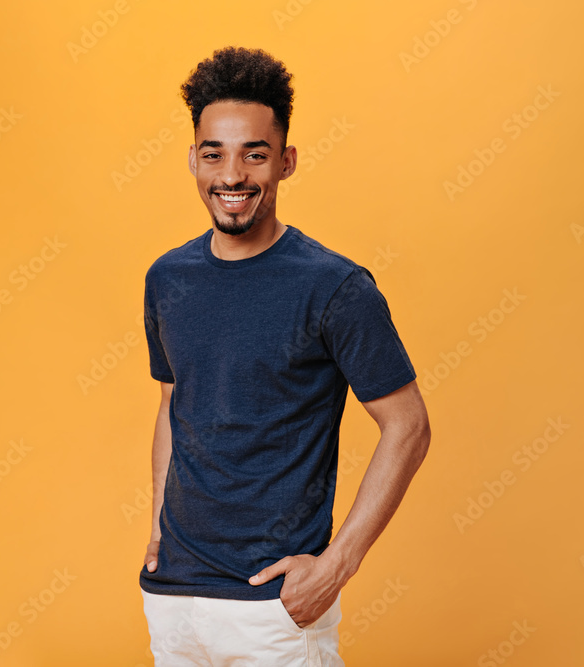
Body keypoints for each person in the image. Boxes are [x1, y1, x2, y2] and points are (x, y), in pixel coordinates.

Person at [139, 45, 431, 665]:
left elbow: (408, 425)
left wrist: (336, 566)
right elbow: (172, 401)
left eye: (255, 153)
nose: (232, 175)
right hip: (173, 604)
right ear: (193, 158)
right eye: (214, 153)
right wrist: (161, 528)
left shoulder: (335, 287)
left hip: (272, 608)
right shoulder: (168, 278)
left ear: (286, 162)